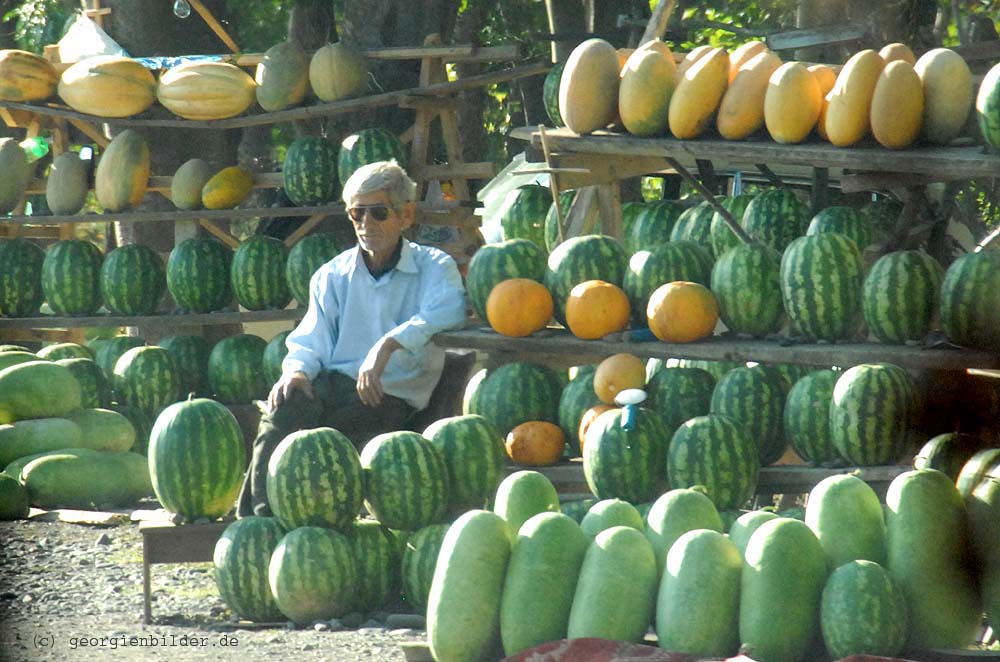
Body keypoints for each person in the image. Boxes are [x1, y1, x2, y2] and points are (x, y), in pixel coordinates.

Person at [236, 159, 467, 518]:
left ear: (406, 215)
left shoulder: (434, 267)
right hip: (334, 384)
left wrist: (386, 346)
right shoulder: (332, 275)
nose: (365, 224)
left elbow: (448, 310)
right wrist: (296, 372)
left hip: (390, 395)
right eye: (357, 214)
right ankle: (256, 522)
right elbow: (310, 340)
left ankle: (304, 518)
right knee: (284, 409)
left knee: (327, 439)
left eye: (378, 213)